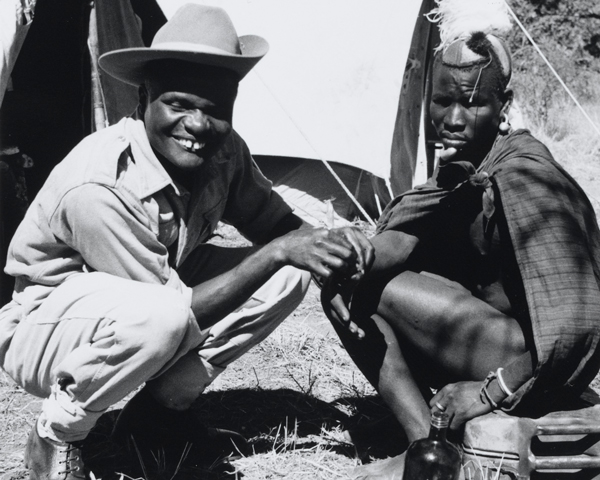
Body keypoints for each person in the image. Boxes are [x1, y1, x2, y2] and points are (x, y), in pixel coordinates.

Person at [0, 4, 374, 479]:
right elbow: (176, 312)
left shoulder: (223, 149)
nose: (197, 126)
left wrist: (334, 247)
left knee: (292, 270)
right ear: (143, 97)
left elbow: (280, 227)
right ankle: (56, 433)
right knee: (170, 314)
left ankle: (157, 414)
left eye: (215, 110)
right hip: (45, 329)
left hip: (144, 305)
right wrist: (277, 252)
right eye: (179, 104)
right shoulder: (101, 185)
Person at [321, 24, 600, 480]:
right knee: (347, 286)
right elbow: (401, 241)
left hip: (534, 363)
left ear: (503, 107)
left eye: (471, 103)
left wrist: (490, 391)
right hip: (490, 343)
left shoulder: (527, 178)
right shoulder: (461, 172)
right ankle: (426, 448)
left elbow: (580, 321)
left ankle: (430, 453)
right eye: (441, 100)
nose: (451, 118)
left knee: (379, 292)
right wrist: (349, 258)